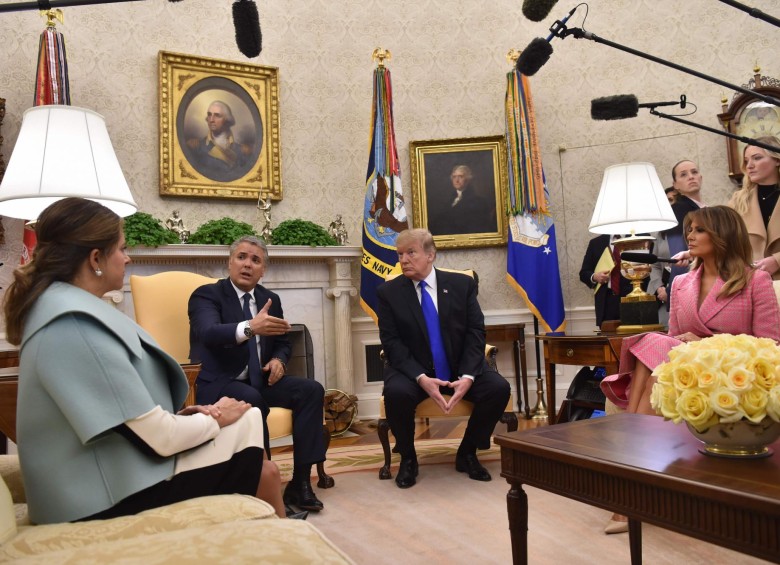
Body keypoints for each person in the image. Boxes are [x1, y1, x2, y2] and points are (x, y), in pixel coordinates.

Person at [4, 197, 291, 524]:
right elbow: (160, 437)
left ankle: (273, 539)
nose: (127, 259)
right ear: (95, 258)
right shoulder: (72, 324)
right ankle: (276, 540)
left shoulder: (64, 309)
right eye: (122, 249)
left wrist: (189, 415)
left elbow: (120, 417)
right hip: (97, 498)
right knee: (249, 434)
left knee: (253, 440)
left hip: (113, 469)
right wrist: (215, 419)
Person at [599, 205, 780, 533]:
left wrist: (704, 343)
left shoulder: (756, 280)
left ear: (722, 235)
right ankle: (636, 477)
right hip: (684, 367)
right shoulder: (682, 283)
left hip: (730, 368)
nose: (690, 237)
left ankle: (631, 485)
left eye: (699, 230)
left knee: (654, 347)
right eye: (689, 230)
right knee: (655, 344)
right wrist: (688, 344)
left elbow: (770, 347)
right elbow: (672, 341)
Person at [188, 236, 327, 512]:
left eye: (255, 260)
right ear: (229, 262)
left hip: (259, 379)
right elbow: (209, 333)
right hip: (218, 382)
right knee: (252, 397)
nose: (247, 264)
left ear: (263, 270)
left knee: (312, 390)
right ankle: (266, 486)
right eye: (241, 257)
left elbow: (284, 341)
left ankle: (300, 484)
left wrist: (278, 360)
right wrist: (251, 326)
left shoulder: (269, 299)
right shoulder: (207, 295)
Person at [376, 228, 510, 489]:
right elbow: (391, 342)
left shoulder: (462, 285)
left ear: (430, 255)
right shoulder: (388, 293)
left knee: (498, 388)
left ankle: (468, 451)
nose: (403, 260)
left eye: (411, 253)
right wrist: (421, 378)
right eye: (400, 254)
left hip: (458, 366)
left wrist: (469, 376)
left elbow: (475, 332)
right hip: (412, 371)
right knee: (396, 393)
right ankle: (408, 458)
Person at [727, 135, 780, 279]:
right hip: (752, 284)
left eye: (757, 158)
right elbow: (721, 234)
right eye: (746, 160)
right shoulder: (739, 200)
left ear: (777, 159)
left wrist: (777, 260)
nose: (749, 165)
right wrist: (693, 252)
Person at [186, 100, 253, 182]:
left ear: (227, 120)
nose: (211, 119)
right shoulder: (197, 147)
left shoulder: (242, 150)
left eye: (217, 115)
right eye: (209, 115)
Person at [579, 234, 636, 328]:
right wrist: (595, 277)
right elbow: (584, 273)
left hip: (632, 300)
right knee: (608, 339)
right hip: (606, 301)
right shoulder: (596, 243)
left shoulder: (636, 238)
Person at [428, 165, 496, 236]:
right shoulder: (449, 200)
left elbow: (475, 228)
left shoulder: (478, 202)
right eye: (454, 177)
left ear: (468, 179)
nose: (456, 180)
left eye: (460, 176)